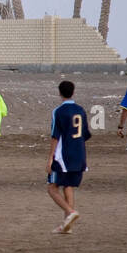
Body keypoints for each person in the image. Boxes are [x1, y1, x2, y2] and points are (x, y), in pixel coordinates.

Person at [47, 80, 92, 233]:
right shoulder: (80, 110)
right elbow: (85, 134)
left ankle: (70, 212)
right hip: (79, 154)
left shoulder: (58, 112)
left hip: (63, 156)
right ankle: (68, 225)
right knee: (68, 187)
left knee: (52, 188)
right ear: (73, 92)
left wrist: (50, 157)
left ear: (59, 93)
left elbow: (55, 136)